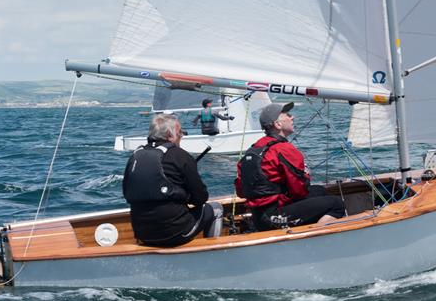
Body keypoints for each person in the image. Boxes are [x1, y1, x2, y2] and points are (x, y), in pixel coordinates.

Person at [235, 102, 345, 231]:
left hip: (258, 216)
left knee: (319, 191)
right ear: (278, 124)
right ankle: (314, 238)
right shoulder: (284, 150)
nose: (292, 118)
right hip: (274, 218)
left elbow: (241, 192)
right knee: (337, 204)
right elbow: (299, 190)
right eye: (288, 115)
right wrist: (305, 175)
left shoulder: (254, 149)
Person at [123, 113, 223, 247]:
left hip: (142, 233)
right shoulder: (180, 156)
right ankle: (211, 254)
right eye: (180, 133)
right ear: (170, 135)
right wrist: (185, 195)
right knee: (216, 209)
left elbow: (127, 192)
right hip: (174, 233)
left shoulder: (135, 156)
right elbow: (201, 198)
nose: (181, 136)